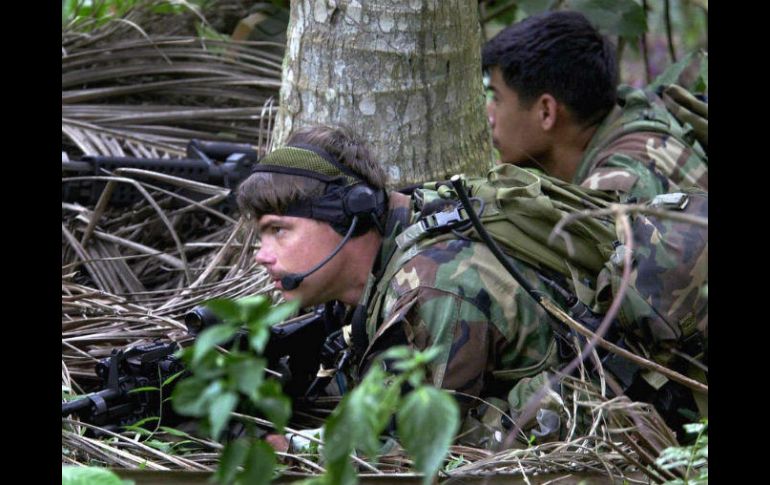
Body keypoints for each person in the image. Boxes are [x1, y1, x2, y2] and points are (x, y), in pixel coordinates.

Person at [236, 124, 569, 449]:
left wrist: (290, 447)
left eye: (278, 230)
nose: (261, 256)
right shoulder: (384, 254)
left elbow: (413, 452)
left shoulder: (434, 288)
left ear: (347, 215)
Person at [482, 10, 708, 202]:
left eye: (497, 98)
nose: (488, 114)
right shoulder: (640, 115)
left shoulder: (615, 193)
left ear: (546, 112)